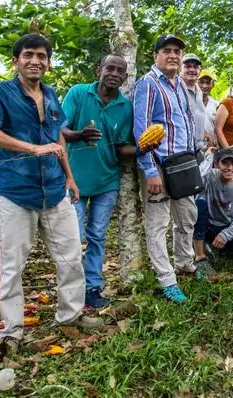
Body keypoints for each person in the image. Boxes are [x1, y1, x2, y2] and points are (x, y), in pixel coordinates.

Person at [0, 34, 101, 360]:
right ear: (16, 60)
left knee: (71, 257)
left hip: (56, 190)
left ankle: (70, 316)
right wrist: (33, 148)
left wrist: (70, 178)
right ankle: (12, 332)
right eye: (28, 55)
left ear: (48, 62)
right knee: (13, 266)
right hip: (17, 192)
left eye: (42, 56)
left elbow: (56, 136)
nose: (36, 60)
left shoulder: (51, 93)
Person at [60, 54, 137, 309]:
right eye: (110, 68)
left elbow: (120, 147)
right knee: (74, 237)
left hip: (107, 181)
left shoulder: (124, 106)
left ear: (125, 77)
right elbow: (59, 129)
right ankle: (71, 290)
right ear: (99, 69)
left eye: (120, 71)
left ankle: (93, 287)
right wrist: (79, 135)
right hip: (76, 180)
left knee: (97, 236)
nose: (114, 74)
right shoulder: (79, 93)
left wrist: (143, 148)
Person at [133, 34, 201, 304]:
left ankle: (185, 262)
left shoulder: (180, 85)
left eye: (177, 52)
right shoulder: (147, 85)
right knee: (159, 223)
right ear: (155, 56)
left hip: (183, 162)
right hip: (159, 164)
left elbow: (187, 120)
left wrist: (194, 153)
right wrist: (149, 169)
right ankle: (166, 279)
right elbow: (142, 128)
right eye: (167, 51)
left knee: (187, 217)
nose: (173, 55)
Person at [192, 148, 233, 279]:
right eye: (225, 164)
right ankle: (200, 256)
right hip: (207, 224)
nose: (229, 168)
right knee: (200, 204)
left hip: (226, 225)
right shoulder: (210, 176)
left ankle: (216, 248)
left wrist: (225, 235)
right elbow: (196, 178)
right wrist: (209, 157)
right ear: (217, 164)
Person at [181, 53, 215, 146]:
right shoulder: (175, 90)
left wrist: (203, 133)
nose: (192, 69)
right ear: (180, 68)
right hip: (183, 147)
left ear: (199, 70)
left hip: (199, 147)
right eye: (188, 66)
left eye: (195, 67)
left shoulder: (198, 91)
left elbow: (194, 118)